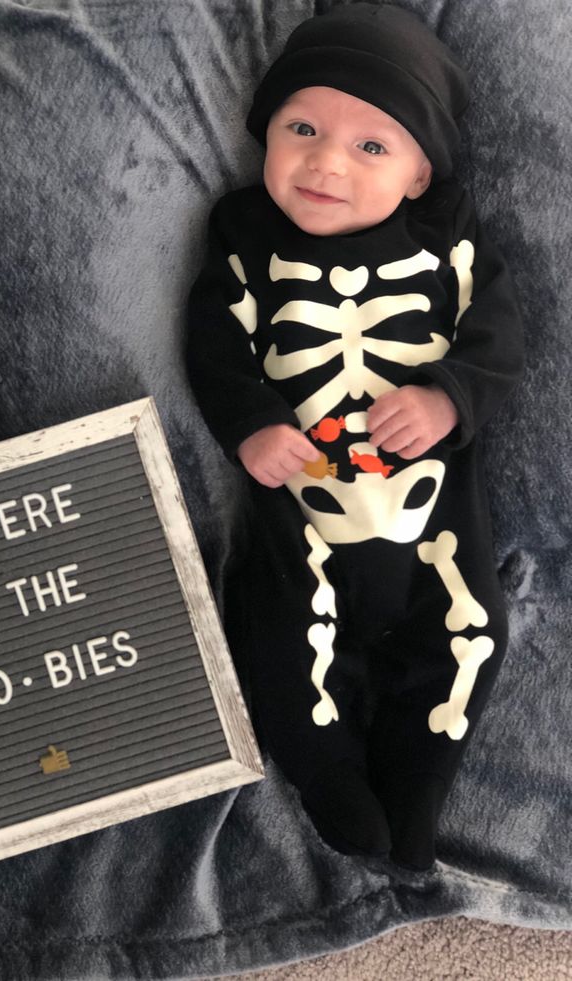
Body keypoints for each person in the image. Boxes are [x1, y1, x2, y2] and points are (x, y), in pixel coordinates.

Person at [186, 2, 524, 870]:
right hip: (302, 505)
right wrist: (252, 421)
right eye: (300, 127)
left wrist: (448, 397)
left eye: (372, 145)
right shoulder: (245, 233)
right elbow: (217, 338)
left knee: (472, 632)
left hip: (434, 509)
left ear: (419, 175)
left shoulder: (445, 237)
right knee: (280, 647)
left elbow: (500, 331)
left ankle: (418, 789)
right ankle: (332, 779)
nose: (325, 161)